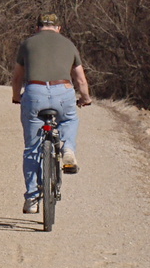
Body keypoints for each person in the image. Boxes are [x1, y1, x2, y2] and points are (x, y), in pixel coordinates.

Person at [11, 13, 93, 213]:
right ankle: (68, 149)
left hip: (34, 92)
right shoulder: (69, 45)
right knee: (71, 118)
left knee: (31, 148)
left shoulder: (27, 44)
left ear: (38, 27)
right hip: (62, 91)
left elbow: (17, 78)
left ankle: (31, 198)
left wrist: (16, 97)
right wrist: (85, 98)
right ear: (58, 28)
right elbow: (80, 80)